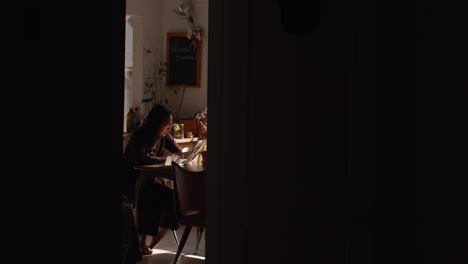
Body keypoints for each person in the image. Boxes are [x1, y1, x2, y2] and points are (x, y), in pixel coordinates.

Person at [122, 104, 183, 255]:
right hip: (131, 182)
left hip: (148, 181)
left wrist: (170, 157)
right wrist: (165, 159)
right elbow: (141, 160)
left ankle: (154, 242)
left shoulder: (165, 136)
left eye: (170, 125)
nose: (168, 129)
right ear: (155, 123)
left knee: (170, 197)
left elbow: (178, 152)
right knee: (150, 196)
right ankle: (142, 243)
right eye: (165, 125)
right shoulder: (140, 136)